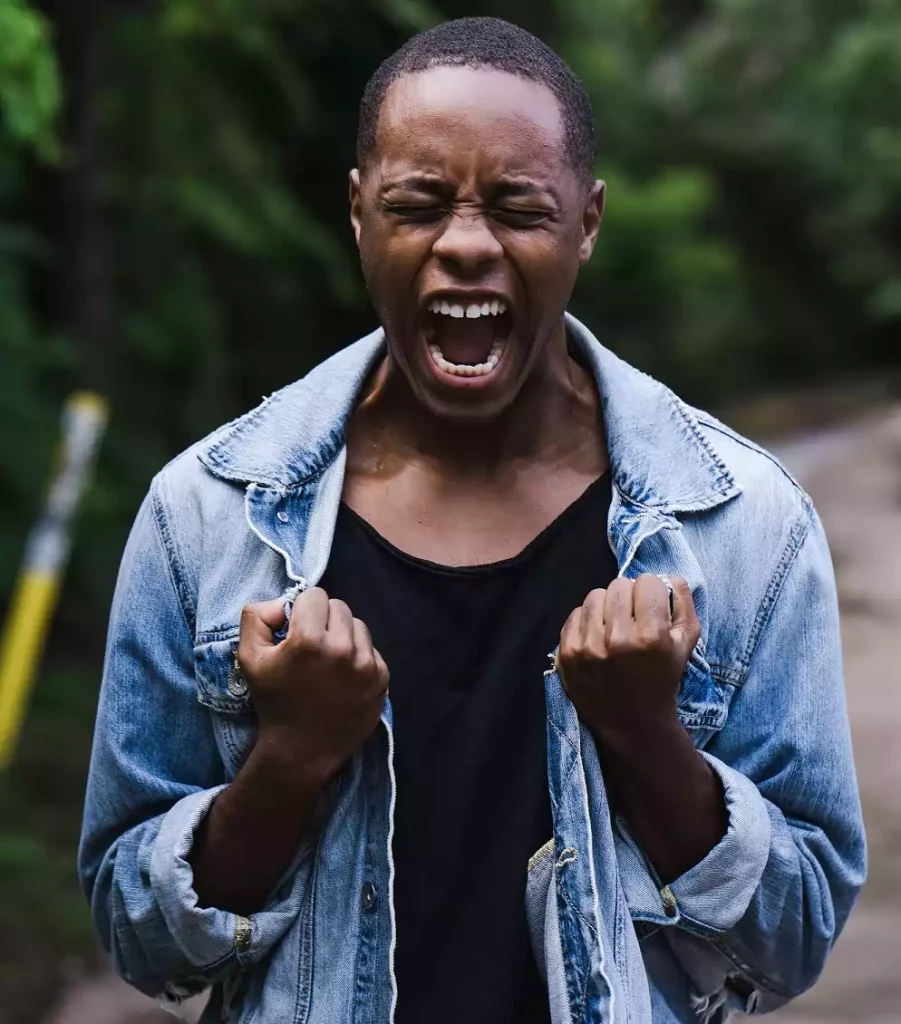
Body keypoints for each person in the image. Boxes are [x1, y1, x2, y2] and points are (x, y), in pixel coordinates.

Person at [78, 16, 865, 1024]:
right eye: (417, 205)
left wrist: (646, 736)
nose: (464, 245)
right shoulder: (206, 514)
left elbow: (794, 938)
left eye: (515, 206)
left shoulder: (744, 522)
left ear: (586, 222)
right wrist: (289, 760)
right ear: (358, 215)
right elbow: (137, 938)